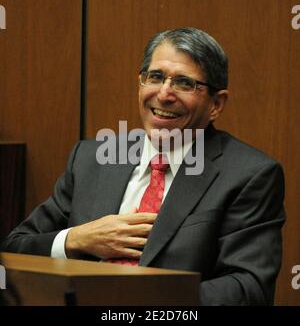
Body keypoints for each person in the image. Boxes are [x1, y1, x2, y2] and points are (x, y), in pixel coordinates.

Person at [1, 27, 285, 305]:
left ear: (216, 105)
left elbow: (249, 288)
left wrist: (138, 303)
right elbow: (16, 245)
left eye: (185, 83)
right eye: (155, 77)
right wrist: (76, 239)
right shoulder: (91, 158)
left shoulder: (249, 174)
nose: (164, 94)